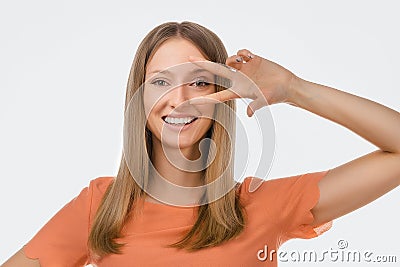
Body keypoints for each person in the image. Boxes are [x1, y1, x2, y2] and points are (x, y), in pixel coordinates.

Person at [2, 21, 399, 267]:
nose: (179, 99)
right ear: (137, 98)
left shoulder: (263, 205)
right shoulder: (100, 206)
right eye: (160, 81)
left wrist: (293, 89)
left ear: (220, 96)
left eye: (198, 81)